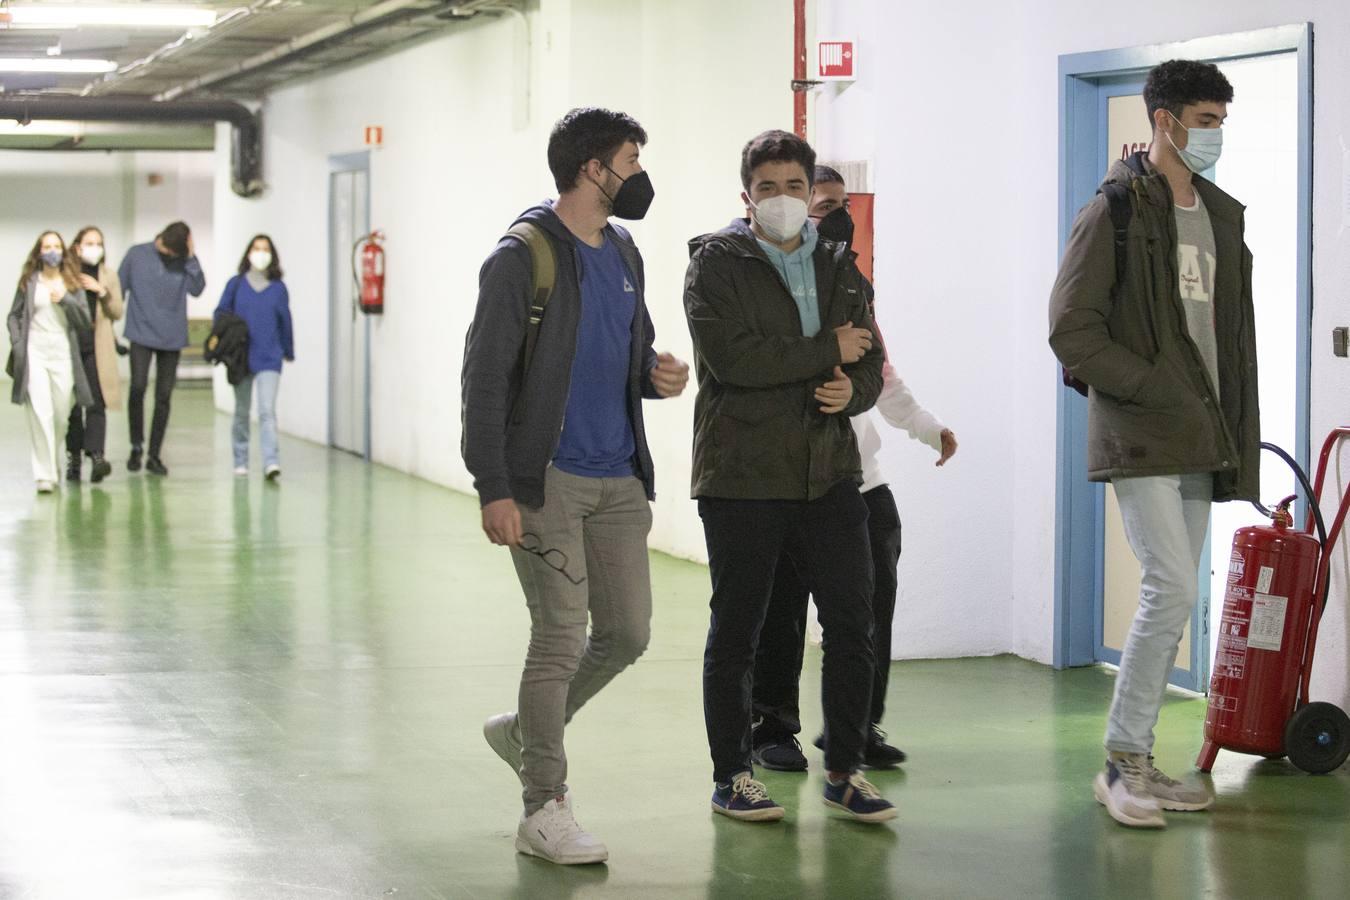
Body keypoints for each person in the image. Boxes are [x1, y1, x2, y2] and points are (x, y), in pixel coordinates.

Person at [462, 107, 689, 865]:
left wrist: (658, 377)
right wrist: (494, 485)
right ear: (594, 169)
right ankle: (543, 806)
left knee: (626, 634)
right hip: (546, 480)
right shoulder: (521, 258)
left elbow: (632, 350)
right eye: (630, 159)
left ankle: (525, 734)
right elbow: (485, 380)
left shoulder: (623, 250)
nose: (638, 175)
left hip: (619, 476)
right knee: (559, 638)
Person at [1049, 59, 1259, 829]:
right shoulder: (1116, 209)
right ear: (1164, 120)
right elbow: (1070, 327)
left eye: (1221, 121)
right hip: (1142, 430)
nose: (1215, 135)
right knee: (1170, 586)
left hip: (1205, 430)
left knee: (1177, 591)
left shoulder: (1220, 213)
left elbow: (1226, 337)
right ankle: (1121, 762)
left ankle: (1138, 756)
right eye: (1205, 119)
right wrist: (1149, 386)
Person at [684, 129, 895, 824]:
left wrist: (851, 391)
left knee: (851, 623)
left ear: (812, 193)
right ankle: (732, 776)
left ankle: (844, 770)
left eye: (794, 187)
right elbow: (735, 361)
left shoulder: (839, 263)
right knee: (738, 630)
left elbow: (869, 358)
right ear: (746, 198)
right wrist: (823, 352)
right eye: (767, 188)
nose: (782, 199)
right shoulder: (715, 265)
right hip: (741, 473)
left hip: (829, 472)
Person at [749, 166, 959, 773]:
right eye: (817, 204)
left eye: (840, 205)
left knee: (869, 607)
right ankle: (772, 727)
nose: (831, 216)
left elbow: (882, 374)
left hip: (860, 479)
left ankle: (857, 724)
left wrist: (926, 427)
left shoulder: (851, 285)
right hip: (790, 479)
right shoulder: (761, 285)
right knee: (782, 609)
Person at [7, 231, 94, 493]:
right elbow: (14, 315)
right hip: (35, 352)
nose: (53, 250)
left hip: (63, 352)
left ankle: (51, 459)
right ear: (39, 252)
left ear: (63, 252)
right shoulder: (29, 282)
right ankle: (44, 474)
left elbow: (84, 323)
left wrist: (66, 300)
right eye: (48, 246)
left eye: (57, 246)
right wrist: (18, 343)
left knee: (60, 414)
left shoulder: (72, 283)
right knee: (40, 412)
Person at [119, 220, 206, 476]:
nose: (168, 256)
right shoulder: (137, 254)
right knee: (137, 387)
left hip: (172, 338)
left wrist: (191, 256)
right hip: (140, 332)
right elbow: (118, 288)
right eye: (166, 251)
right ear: (161, 239)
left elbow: (198, 289)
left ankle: (154, 454)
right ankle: (136, 445)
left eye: (174, 254)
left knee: (164, 397)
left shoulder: (183, 259)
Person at [215, 235, 294, 480]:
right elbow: (221, 313)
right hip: (241, 358)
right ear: (248, 253)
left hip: (270, 357)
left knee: (267, 411)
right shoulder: (236, 285)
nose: (261, 253)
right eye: (257, 248)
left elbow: (285, 321)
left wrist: (288, 350)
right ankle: (240, 460)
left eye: (265, 249)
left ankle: (271, 461)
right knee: (241, 411)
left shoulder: (279, 288)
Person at [65, 226, 125, 484]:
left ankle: (97, 456)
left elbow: (117, 311)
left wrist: (101, 291)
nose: (94, 247)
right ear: (77, 246)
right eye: (89, 242)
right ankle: (74, 459)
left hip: (97, 347)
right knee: (74, 406)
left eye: (98, 243)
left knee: (97, 402)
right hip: (70, 347)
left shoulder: (108, 275)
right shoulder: (66, 274)